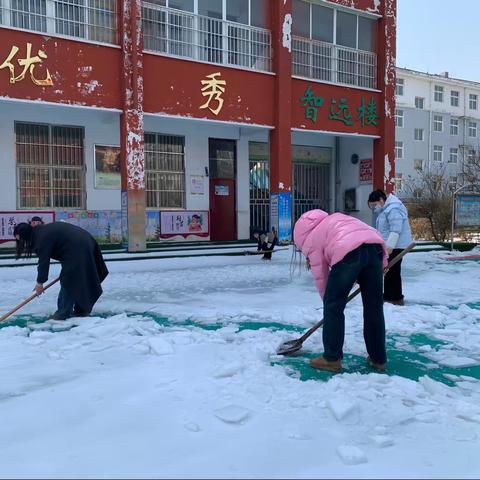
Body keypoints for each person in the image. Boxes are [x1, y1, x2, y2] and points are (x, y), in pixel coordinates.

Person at [293, 209, 388, 373]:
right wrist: (381, 265)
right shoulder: (336, 219)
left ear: (300, 236)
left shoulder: (311, 238)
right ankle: (378, 358)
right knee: (374, 307)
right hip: (375, 248)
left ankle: (331, 358)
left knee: (333, 306)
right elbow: (365, 237)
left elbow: (322, 277)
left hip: (348, 251)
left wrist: (330, 302)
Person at [14, 222, 109, 320]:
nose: (22, 243)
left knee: (68, 279)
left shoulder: (41, 238)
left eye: (21, 239)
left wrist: (40, 283)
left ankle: (63, 313)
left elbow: (43, 262)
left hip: (79, 247)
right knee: (78, 277)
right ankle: (81, 309)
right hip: (85, 242)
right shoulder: (40, 232)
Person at [368, 189, 413, 306]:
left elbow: (395, 229)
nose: (374, 208)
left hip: (396, 245)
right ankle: (388, 295)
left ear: (381, 200)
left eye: (374, 204)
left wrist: (389, 247)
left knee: (393, 270)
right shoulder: (386, 210)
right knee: (388, 270)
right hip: (390, 245)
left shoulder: (393, 209)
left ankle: (396, 297)